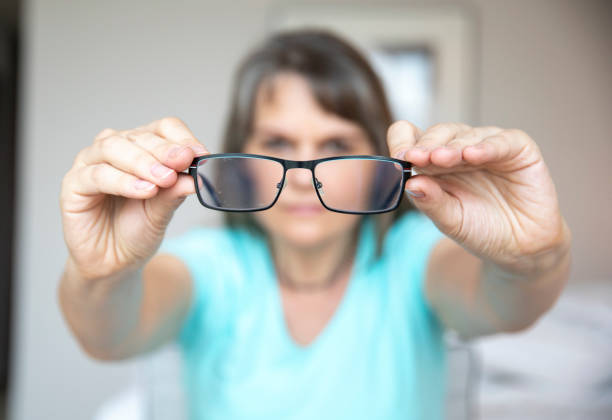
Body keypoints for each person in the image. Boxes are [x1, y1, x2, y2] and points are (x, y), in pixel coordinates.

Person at [58, 30, 571, 419]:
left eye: (335, 145)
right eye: (278, 144)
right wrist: (102, 274)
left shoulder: (414, 255)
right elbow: (109, 337)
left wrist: (533, 260)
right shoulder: (211, 266)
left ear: (376, 157)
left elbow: (507, 303)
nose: (303, 177)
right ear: (241, 154)